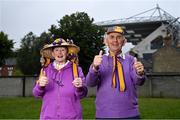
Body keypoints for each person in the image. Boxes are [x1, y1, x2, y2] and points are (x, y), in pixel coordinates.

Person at [86, 26, 146, 119]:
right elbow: (90, 83)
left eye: (118, 37)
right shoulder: (99, 60)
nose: (115, 40)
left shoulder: (131, 60)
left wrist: (140, 73)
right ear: (105, 41)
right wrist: (94, 67)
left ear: (124, 42)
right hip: (104, 115)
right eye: (112, 37)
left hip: (130, 115)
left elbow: (139, 82)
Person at [33, 38, 87, 119]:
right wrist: (40, 86)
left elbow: (82, 94)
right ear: (53, 53)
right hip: (48, 117)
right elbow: (36, 94)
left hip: (72, 117)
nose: (60, 53)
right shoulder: (45, 70)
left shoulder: (76, 69)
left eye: (63, 50)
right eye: (57, 50)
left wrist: (80, 87)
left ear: (67, 52)